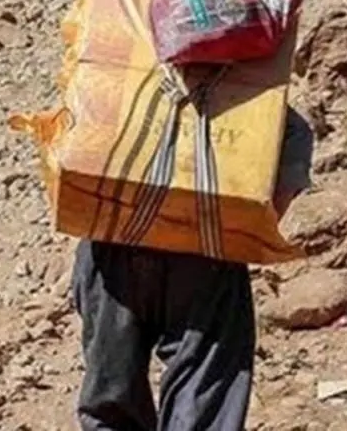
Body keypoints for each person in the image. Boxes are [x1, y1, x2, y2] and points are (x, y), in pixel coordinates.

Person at [72, 107, 314, 431]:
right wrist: (236, 233)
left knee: (111, 395)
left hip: (112, 246)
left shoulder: (119, 69)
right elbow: (292, 144)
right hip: (205, 252)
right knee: (204, 392)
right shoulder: (248, 86)